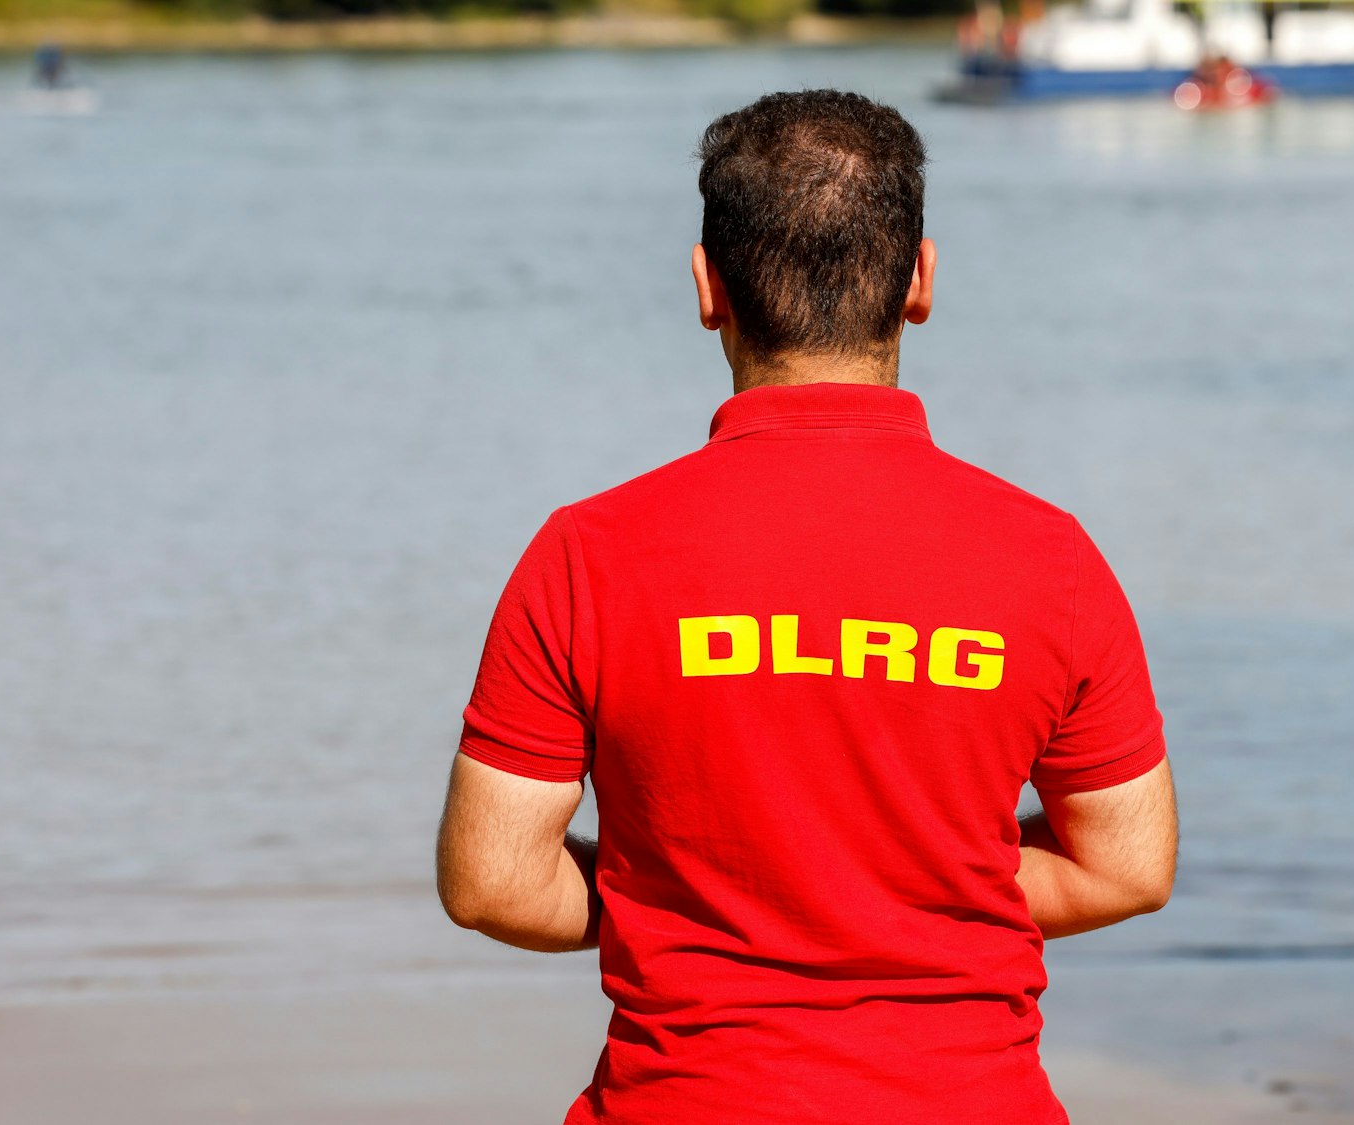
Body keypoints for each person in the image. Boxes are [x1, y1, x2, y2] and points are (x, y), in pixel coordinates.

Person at [436, 90, 1177, 1125]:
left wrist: (690, 899)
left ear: (706, 287)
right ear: (919, 280)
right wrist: (907, 894)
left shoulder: (586, 555)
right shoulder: (1048, 557)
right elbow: (1128, 870)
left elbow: (492, 885)